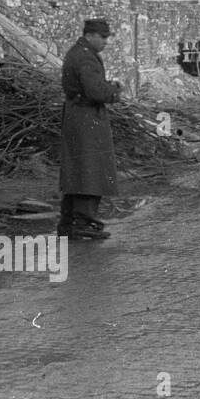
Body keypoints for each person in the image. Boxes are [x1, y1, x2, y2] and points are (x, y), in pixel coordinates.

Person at [58, 18, 122, 240]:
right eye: (103, 37)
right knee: (90, 169)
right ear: (90, 35)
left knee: (77, 168)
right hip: (86, 116)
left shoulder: (76, 52)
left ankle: (68, 222)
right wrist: (114, 90)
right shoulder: (86, 57)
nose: (106, 42)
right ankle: (83, 222)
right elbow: (96, 91)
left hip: (77, 114)